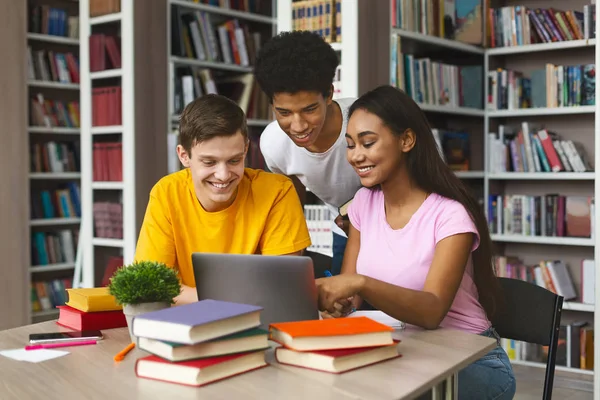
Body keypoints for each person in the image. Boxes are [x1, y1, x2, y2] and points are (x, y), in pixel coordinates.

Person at [315, 85, 516, 400]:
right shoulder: (362, 204)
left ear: (406, 140)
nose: (356, 156)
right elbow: (351, 300)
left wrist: (360, 284)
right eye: (350, 145)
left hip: (471, 359)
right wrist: (335, 304)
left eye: (368, 143)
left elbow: (431, 311)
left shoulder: (450, 215)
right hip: (406, 349)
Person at [134, 94, 312, 304]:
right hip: (186, 324)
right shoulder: (166, 193)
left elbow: (280, 288)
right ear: (184, 156)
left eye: (234, 160)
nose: (223, 175)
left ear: (246, 149)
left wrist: (191, 296)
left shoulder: (278, 192)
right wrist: (234, 296)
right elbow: (149, 286)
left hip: (256, 324)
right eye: (209, 162)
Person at [254, 30, 362, 275]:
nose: (299, 126)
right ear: (271, 105)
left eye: (310, 109)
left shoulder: (368, 120)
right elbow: (292, 209)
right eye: (284, 112)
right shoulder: (273, 142)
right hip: (344, 232)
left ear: (330, 94)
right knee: (344, 309)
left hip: (402, 232)